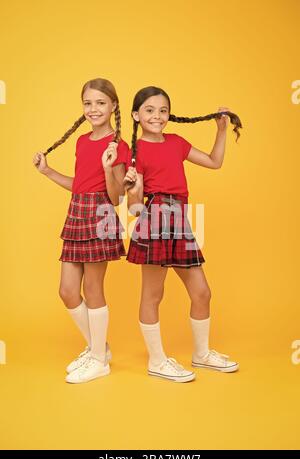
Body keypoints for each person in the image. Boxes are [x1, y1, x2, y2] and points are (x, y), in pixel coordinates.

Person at [124, 86, 242, 382]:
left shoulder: (176, 142)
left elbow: (215, 162)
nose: (157, 116)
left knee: (202, 292)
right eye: (149, 110)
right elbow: (134, 207)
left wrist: (222, 129)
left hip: (180, 219)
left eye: (163, 110)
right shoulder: (134, 150)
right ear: (136, 115)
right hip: (155, 217)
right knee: (153, 294)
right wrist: (133, 189)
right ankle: (157, 360)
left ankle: (201, 355)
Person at [33, 78, 128, 384]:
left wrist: (107, 168)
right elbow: (79, 185)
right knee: (67, 291)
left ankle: (99, 360)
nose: (93, 109)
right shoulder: (82, 141)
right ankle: (99, 349)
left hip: (100, 213)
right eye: (88, 103)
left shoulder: (119, 145)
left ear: (113, 105)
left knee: (93, 290)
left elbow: (117, 198)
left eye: (100, 102)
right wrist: (47, 171)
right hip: (77, 210)